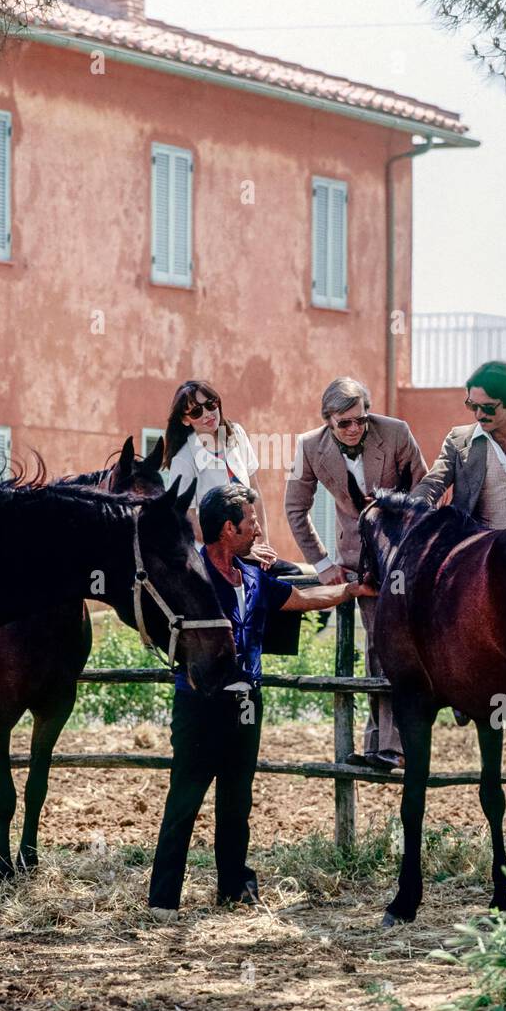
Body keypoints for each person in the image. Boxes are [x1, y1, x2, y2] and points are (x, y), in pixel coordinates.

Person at [148, 484, 374, 917]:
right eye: (250, 522)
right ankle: (163, 901)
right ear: (229, 527)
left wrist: (348, 592)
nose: (257, 529)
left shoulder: (252, 576)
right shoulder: (189, 572)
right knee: (185, 800)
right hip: (200, 702)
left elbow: (301, 599)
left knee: (237, 802)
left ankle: (234, 888)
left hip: (247, 702)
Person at [284, 376, 427, 770]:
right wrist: (323, 562)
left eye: (360, 420)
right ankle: (387, 746)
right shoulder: (308, 447)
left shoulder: (396, 433)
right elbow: (295, 508)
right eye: (344, 422)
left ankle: (398, 741)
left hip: (405, 554)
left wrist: (401, 526)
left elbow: (424, 487)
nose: (354, 429)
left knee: (410, 644)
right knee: (380, 648)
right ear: (328, 420)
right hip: (358, 562)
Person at [410, 359, 506, 528]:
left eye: (488, 407)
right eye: (472, 406)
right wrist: (409, 510)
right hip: (480, 548)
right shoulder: (459, 440)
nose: (478, 415)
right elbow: (434, 482)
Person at [163, 379, 276, 567]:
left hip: (248, 549)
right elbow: (188, 518)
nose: (208, 414)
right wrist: (237, 548)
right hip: (212, 558)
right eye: (196, 411)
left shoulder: (237, 434)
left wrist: (263, 542)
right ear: (184, 419)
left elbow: (254, 493)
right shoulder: (183, 460)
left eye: (210, 404)